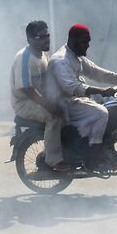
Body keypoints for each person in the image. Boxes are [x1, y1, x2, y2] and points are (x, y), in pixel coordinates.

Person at [45, 23, 117, 169]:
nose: (88, 45)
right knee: (101, 113)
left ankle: (106, 143)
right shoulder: (60, 60)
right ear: (73, 40)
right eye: (85, 41)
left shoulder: (75, 57)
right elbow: (71, 87)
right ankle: (94, 154)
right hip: (63, 104)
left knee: (112, 103)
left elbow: (95, 72)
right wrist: (102, 91)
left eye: (88, 41)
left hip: (73, 101)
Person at [10, 20, 71, 172]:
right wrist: (49, 105)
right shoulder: (23, 57)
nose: (47, 39)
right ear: (30, 39)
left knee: (73, 109)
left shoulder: (43, 55)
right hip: (25, 103)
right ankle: (53, 160)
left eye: (48, 35)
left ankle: (71, 152)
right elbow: (26, 88)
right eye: (42, 37)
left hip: (40, 99)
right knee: (53, 116)